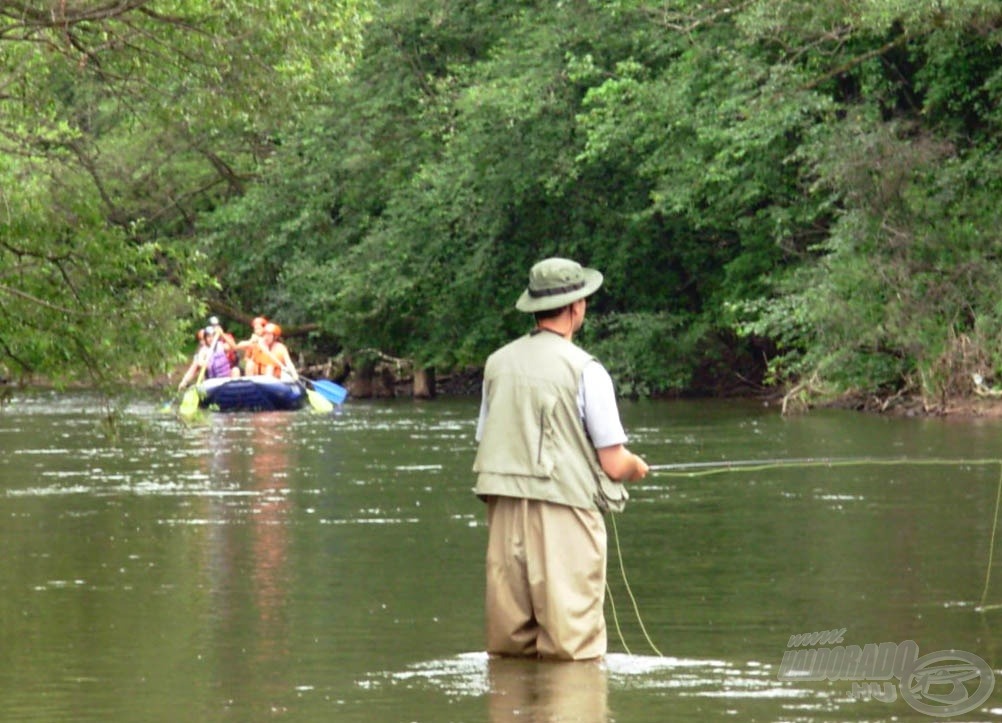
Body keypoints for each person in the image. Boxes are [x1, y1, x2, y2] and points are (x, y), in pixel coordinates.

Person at [472, 257, 649, 661]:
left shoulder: (496, 364)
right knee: (574, 651)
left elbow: (487, 438)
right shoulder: (587, 371)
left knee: (508, 650)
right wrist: (636, 468)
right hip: (565, 516)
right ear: (576, 307)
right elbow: (614, 463)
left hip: (503, 518)